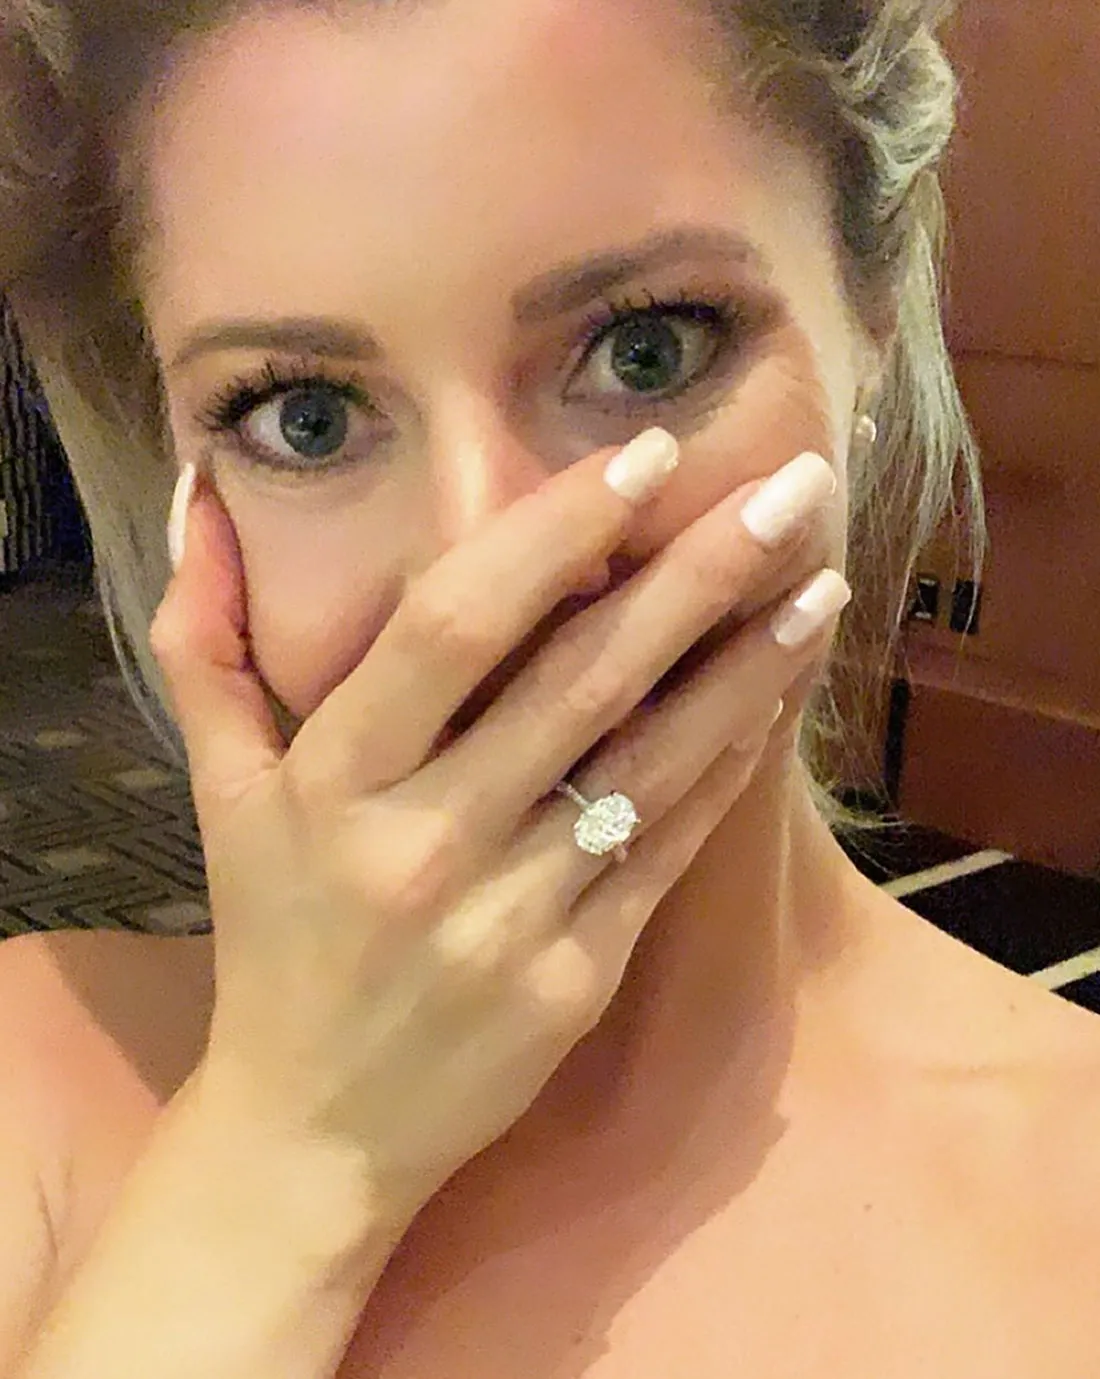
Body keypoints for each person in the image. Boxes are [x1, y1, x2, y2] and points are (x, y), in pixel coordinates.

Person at [1, 0, 1098, 1374]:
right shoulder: (33, 1091)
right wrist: (284, 1162)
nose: (482, 575)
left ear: (869, 313)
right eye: (306, 418)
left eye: (646, 349)